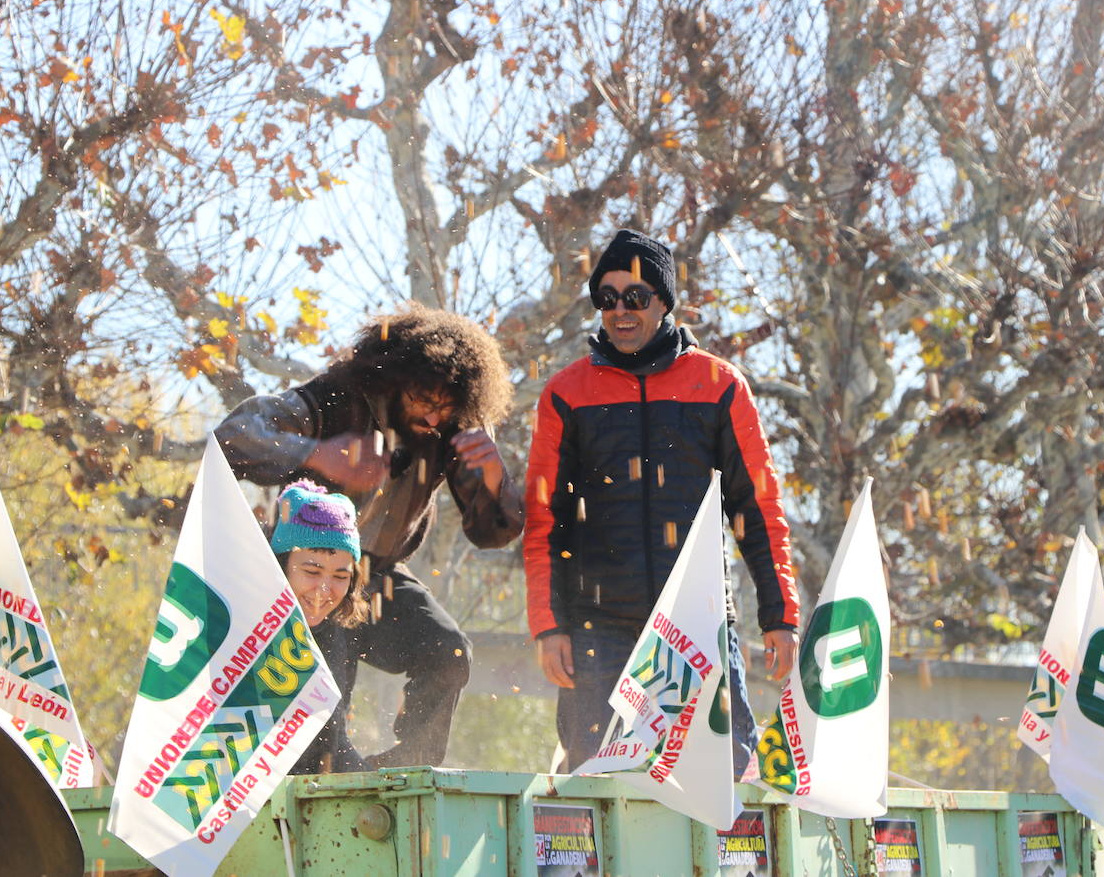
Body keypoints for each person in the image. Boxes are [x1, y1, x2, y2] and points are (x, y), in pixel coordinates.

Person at [522, 228, 800, 773]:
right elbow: (542, 521)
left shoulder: (720, 384)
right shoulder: (564, 392)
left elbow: (756, 508)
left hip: (696, 621)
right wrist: (548, 624)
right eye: (606, 298)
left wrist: (780, 614)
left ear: (665, 302)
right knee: (594, 782)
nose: (620, 310)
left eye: (636, 297)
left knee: (718, 773)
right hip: (596, 626)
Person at [216, 305, 523, 768]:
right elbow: (232, 436)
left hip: (377, 574)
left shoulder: (452, 427)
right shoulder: (336, 396)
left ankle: (407, 775)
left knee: (448, 652)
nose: (433, 417)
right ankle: (317, 787)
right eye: (423, 399)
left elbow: (491, 532)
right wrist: (318, 454)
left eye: (446, 406)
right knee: (324, 710)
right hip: (310, 575)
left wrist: (498, 483)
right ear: (395, 380)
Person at [269, 479, 372, 775]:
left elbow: (333, 740)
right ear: (282, 565)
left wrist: (380, 790)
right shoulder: (242, 622)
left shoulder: (333, 635)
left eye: (340, 577)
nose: (323, 590)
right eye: (312, 571)